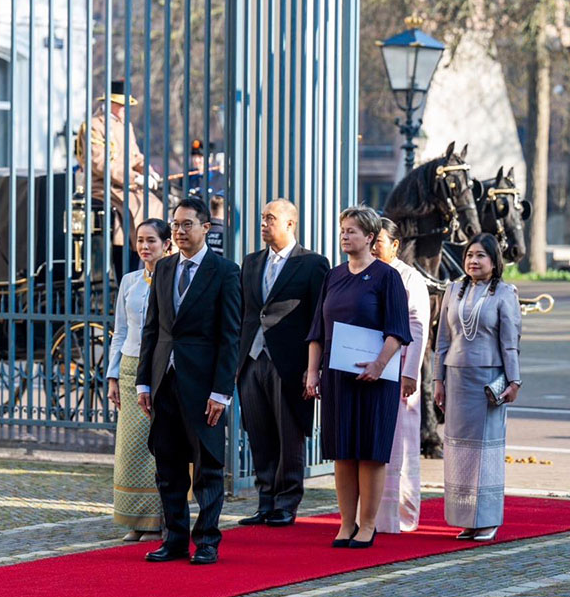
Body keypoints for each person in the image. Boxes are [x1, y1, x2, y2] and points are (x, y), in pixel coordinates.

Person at [136, 197, 241, 565]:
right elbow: (152, 328)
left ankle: (207, 540)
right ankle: (176, 540)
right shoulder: (164, 268)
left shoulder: (225, 272)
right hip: (164, 381)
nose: (179, 231)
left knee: (208, 467)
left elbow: (231, 336)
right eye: (175, 225)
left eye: (187, 225)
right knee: (168, 465)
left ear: (205, 228)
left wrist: (221, 391)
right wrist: (144, 383)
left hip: (204, 385)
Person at [305, 206, 411, 549]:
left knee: (370, 451)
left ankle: (367, 525)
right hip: (338, 376)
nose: (345, 236)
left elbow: (398, 330)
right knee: (343, 451)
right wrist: (312, 372)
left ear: (370, 237)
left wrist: (379, 364)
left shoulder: (386, 277)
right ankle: (345, 523)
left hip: (375, 379)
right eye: (343, 230)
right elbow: (318, 330)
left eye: (352, 231)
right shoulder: (333, 276)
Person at [237, 198, 330, 527]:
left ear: (290, 224)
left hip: (290, 363)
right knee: (258, 432)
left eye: (270, 218)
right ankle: (265, 501)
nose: (263, 224)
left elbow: (320, 318)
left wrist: (313, 367)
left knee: (289, 433)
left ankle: (287, 502)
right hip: (251, 360)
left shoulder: (313, 263)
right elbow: (246, 312)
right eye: (262, 218)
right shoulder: (251, 262)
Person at [433, 233, 522, 542]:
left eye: (481, 255)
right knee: (458, 451)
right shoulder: (453, 290)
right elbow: (442, 340)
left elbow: (510, 343)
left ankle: (487, 520)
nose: (473, 260)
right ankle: (465, 520)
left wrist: (514, 381)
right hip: (456, 378)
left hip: (488, 380)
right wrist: (438, 381)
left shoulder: (505, 293)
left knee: (486, 452)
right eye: (470, 254)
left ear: (494, 261)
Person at [106, 218, 172, 542]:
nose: (145, 247)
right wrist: (113, 374)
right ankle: (136, 519)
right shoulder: (129, 281)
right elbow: (120, 330)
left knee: (159, 446)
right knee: (131, 449)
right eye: (140, 241)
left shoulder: (172, 279)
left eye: (151, 241)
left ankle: (160, 519)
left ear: (166, 245)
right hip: (131, 365)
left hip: (161, 367)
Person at [372, 217, 430, 534]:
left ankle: (402, 515)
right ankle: (371, 514)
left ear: (395, 244)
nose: (372, 247)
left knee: (401, 444)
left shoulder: (410, 278)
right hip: (369, 368)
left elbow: (418, 327)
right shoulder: (365, 273)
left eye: (378, 241)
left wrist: (410, 373)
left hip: (400, 370)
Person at [74, 79, 164, 280]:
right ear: (111, 103)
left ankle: (150, 262)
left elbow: (136, 156)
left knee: (155, 204)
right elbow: (99, 164)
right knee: (137, 207)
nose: (125, 109)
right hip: (103, 185)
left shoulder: (125, 125)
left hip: (127, 185)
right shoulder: (94, 125)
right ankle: (131, 266)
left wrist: (147, 171)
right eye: (122, 105)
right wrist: (135, 177)